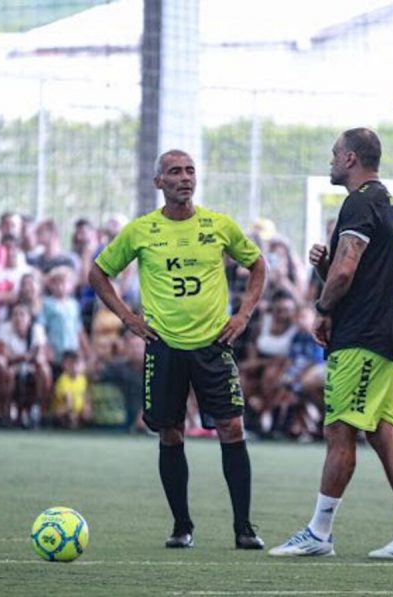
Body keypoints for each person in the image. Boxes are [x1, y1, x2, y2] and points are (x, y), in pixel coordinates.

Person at [89, 149, 267, 550]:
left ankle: (244, 527)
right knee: (171, 433)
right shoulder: (141, 231)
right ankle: (182, 525)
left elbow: (257, 265)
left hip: (213, 345)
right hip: (164, 346)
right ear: (159, 183)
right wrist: (127, 318)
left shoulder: (218, 226)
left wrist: (242, 316)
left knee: (232, 427)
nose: (184, 178)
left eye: (189, 171)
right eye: (174, 172)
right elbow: (98, 273)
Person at [270, 128, 393, 559]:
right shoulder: (385, 201)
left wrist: (322, 308)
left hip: (365, 338)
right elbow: (355, 275)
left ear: (352, 159)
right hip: (390, 332)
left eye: (335, 154)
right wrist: (328, 271)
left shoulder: (359, 202)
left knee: (339, 430)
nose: (331, 161)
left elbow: (346, 273)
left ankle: (319, 533)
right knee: (382, 432)